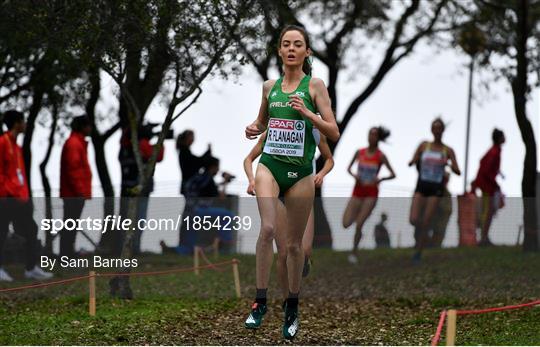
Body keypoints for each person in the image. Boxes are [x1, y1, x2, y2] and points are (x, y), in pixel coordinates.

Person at [243, 25, 340, 340]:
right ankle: (259, 303)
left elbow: (333, 132)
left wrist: (309, 115)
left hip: (300, 173)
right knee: (268, 230)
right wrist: (253, 128)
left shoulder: (316, 86)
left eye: (298, 44)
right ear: (279, 51)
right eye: (286, 44)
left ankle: (292, 308)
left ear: (307, 52)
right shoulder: (269, 87)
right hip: (270, 166)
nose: (291, 49)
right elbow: (262, 121)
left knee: (296, 247)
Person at [243, 126, 334, 288]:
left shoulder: (315, 131)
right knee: (284, 253)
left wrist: (320, 174)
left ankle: (304, 262)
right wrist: (252, 180)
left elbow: (329, 159)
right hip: (278, 193)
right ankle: (288, 303)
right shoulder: (273, 130)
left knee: (303, 250)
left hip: (302, 192)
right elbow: (248, 159)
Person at [0, 110, 53, 281]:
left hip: (19, 198)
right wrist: (6, 192)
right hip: (6, 198)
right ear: (16, 123)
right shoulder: (3, 143)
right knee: (1, 231)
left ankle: (31, 268)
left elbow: (18, 173)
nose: (25, 124)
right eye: (22, 120)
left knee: (31, 229)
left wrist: (24, 195)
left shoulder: (16, 146)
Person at [409, 118, 460, 263]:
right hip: (421, 186)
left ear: (443, 130)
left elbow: (458, 170)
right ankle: (422, 237)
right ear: (431, 130)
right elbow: (414, 159)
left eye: (439, 128)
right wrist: (412, 161)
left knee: (426, 221)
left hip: (436, 189)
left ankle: (418, 251)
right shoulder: (424, 145)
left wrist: (448, 163)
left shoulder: (447, 150)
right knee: (414, 219)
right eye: (434, 127)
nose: (437, 130)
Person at [342, 126, 396, 264]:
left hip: (371, 192)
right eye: (370, 134)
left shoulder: (380, 156)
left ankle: (354, 252)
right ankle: (358, 219)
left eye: (374, 135)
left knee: (359, 224)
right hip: (358, 190)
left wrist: (381, 179)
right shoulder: (359, 152)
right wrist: (355, 175)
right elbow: (348, 168)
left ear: (378, 138)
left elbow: (393, 174)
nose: (371, 137)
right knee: (346, 223)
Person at [117, 125, 164, 255]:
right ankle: (134, 250)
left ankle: (124, 250)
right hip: (140, 190)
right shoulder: (141, 145)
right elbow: (158, 156)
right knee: (138, 221)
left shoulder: (124, 148)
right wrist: (161, 141)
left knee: (127, 221)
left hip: (127, 189)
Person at [60, 116, 93, 257]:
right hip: (73, 194)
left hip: (75, 192)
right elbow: (73, 170)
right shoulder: (74, 144)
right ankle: (66, 255)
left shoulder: (78, 143)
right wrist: (80, 191)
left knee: (71, 225)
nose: (91, 129)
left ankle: (68, 253)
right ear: (82, 127)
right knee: (70, 225)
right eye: (88, 125)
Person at [471, 128, 505, 247]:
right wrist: (494, 183)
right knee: (488, 210)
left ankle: (484, 236)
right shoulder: (494, 152)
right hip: (487, 185)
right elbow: (486, 169)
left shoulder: (495, 151)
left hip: (487, 184)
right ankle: (483, 237)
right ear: (500, 138)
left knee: (489, 210)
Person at [176, 130, 212, 195]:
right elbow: (197, 162)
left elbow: (197, 162)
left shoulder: (184, 151)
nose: (193, 139)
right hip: (189, 184)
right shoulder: (184, 152)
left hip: (188, 184)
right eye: (192, 137)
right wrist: (208, 153)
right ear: (187, 138)